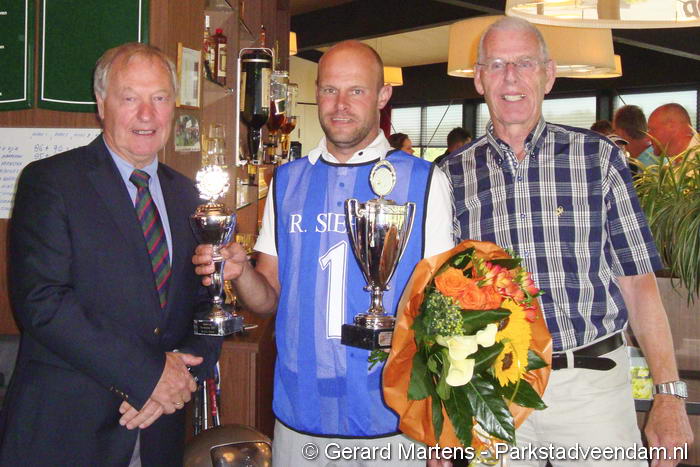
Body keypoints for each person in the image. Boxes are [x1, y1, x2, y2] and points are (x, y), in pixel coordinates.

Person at [438, 17, 692, 467]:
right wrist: (443, 409)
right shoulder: (450, 175)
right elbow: (443, 303)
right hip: (494, 390)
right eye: (496, 65)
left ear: (548, 75)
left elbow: (638, 283)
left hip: (592, 390)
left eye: (524, 63)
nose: (510, 78)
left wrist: (668, 395)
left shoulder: (599, 158)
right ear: (479, 79)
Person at [194, 40, 454, 467]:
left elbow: (445, 308)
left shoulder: (425, 181)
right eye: (330, 90)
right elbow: (268, 298)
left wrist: (442, 420)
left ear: (383, 95)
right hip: (301, 413)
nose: (340, 105)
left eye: (356, 90)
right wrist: (241, 272)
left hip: (395, 418)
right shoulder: (287, 181)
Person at [0, 43, 221, 466]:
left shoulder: (188, 196)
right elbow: (42, 303)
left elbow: (206, 303)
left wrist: (181, 377)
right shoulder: (50, 182)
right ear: (101, 104)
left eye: (159, 98)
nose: (147, 114)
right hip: (67, 432)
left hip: (159, 427)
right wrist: (149, 377)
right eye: (130, 98)